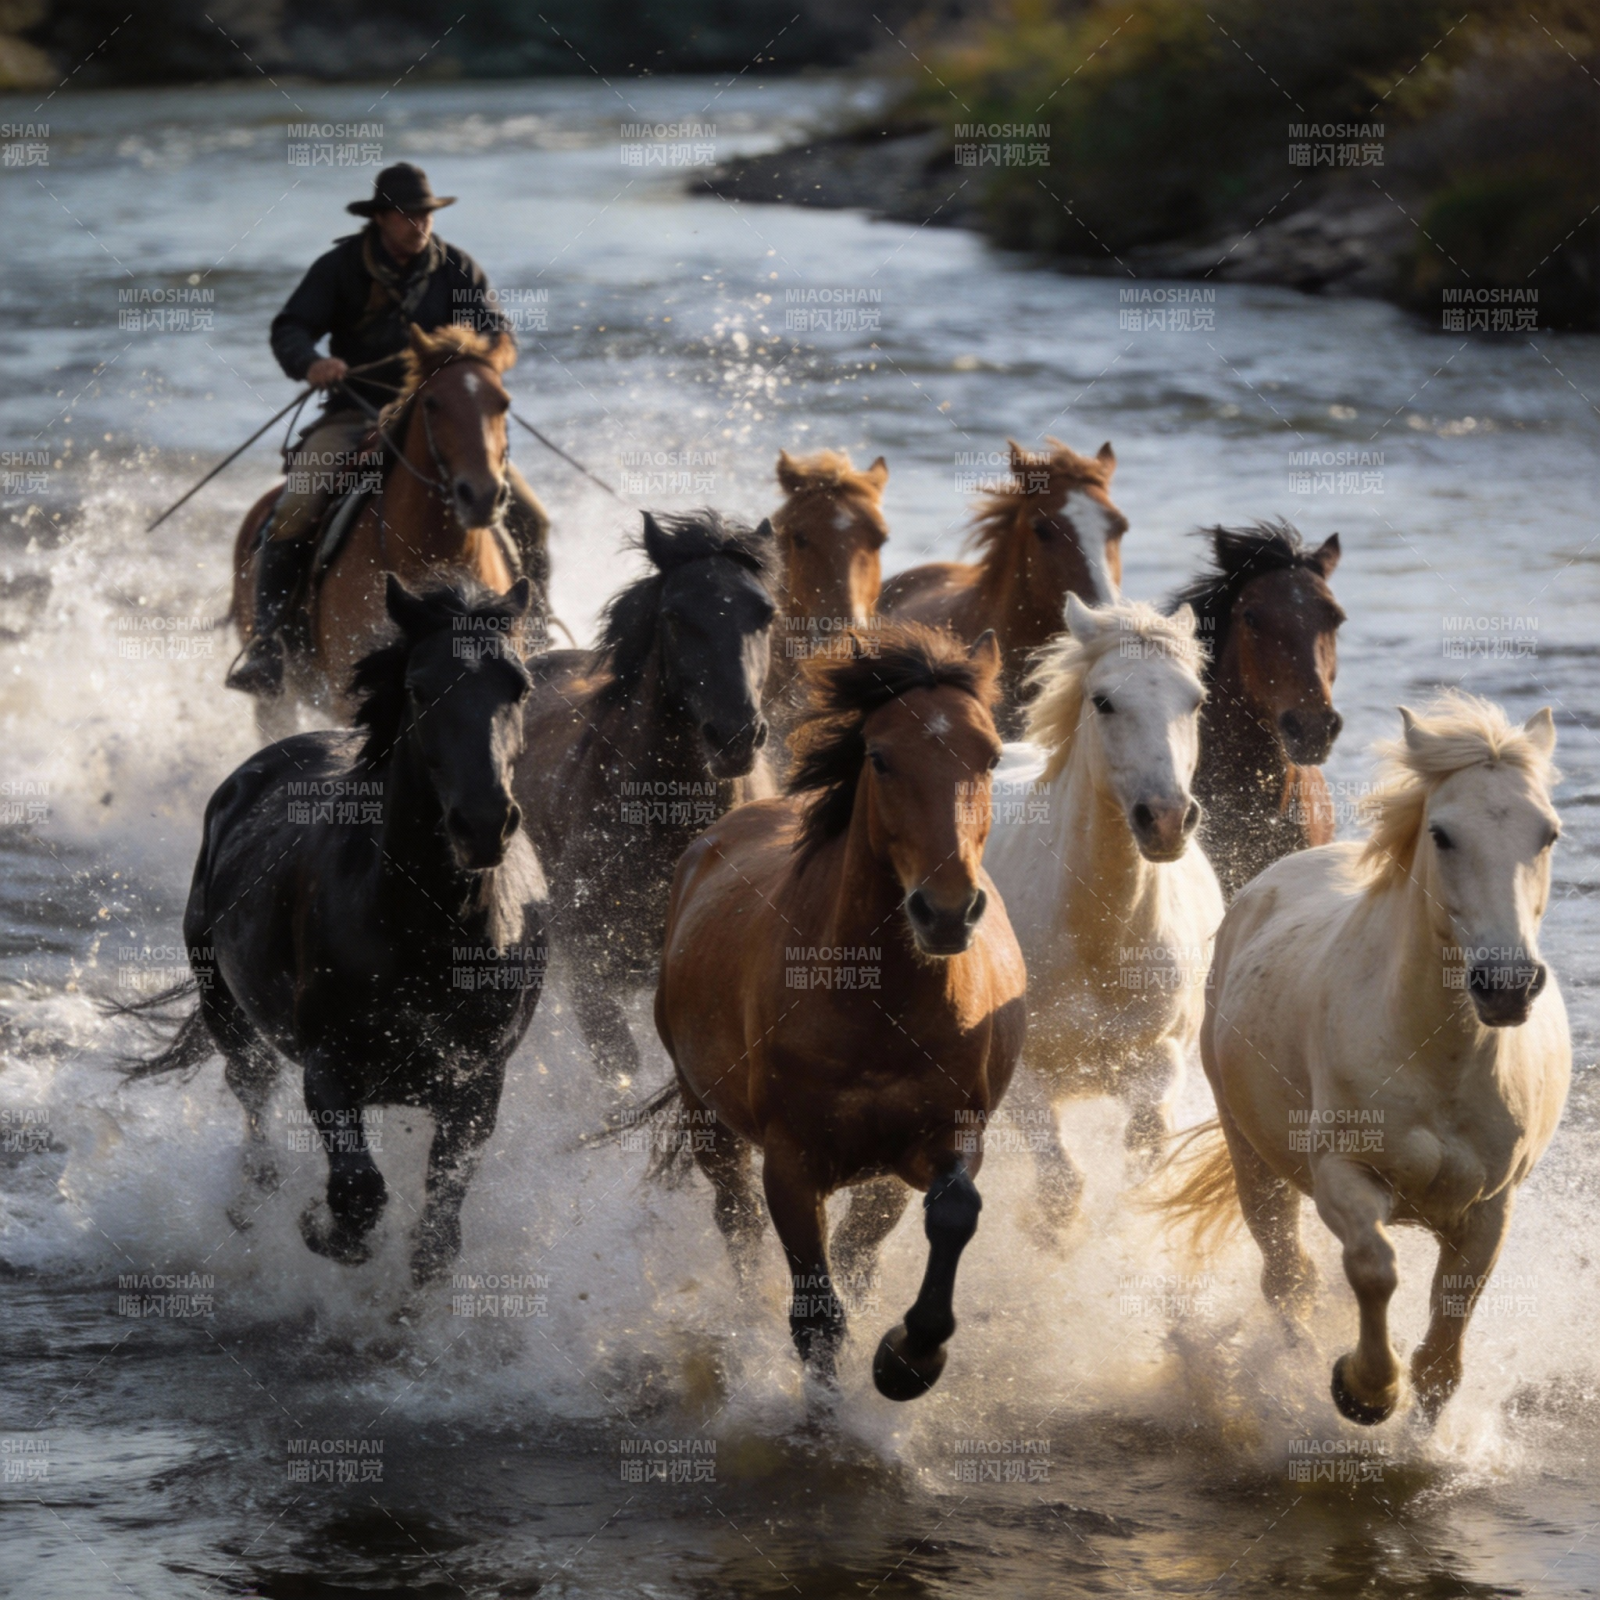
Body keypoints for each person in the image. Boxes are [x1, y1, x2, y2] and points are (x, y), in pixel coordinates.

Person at [227, 162, 549, 695]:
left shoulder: (456, 268)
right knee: (296, 508)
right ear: (379, 218)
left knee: (533, 518)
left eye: (424, 214)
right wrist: (312, 362)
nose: (418, 224)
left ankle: (534, 633)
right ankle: (268, 645)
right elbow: (292, 327)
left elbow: (498, 335)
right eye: (406, 215)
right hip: (356, 411)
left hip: (440, 415)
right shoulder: (339, 268)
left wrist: (478, 356)